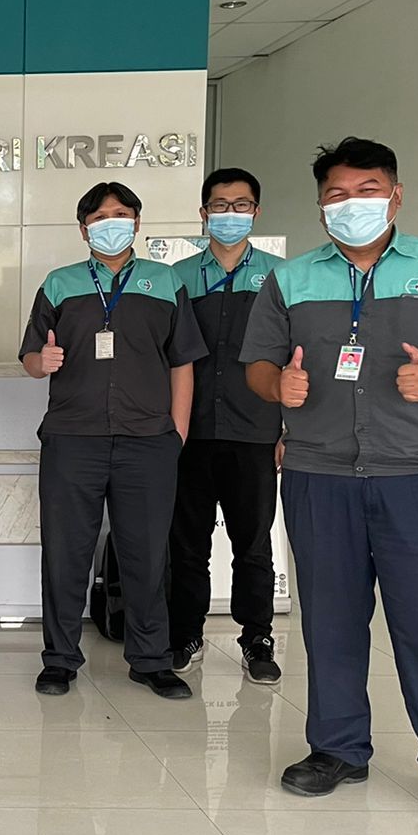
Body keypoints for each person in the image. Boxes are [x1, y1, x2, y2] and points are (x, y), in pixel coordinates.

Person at [241, 137, 418, 825]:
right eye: (337, 193)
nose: (351, 203)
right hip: (318, 476)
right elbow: (258, 363)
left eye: (367, 190)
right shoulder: (290, 279)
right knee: (329, 622)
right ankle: (337, 749)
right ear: (320, 203)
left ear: (396, 196)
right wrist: (278, 386)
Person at [21, 181, 206, 700]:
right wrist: (41, 362)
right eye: (100, 217)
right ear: (84, 230)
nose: (111, 223)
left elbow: (182, 362)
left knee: (147, 556)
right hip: (72, 439)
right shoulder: (60, 283)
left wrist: (177, 432)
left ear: (137, 223)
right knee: (65, 555)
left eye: (121, 214)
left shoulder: (165, 282)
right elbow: (30, 356)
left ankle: (150, 660)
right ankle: (60, 659)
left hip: (148, 441)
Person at [167, 168, 284, 684]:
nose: (230, 214)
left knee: (252, 545)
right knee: (186, 543)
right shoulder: (177, 277)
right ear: (203, 213)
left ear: (256, 212)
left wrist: (288, 429)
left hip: (255, 431)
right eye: (220, 205)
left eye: (241, 205)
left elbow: (298, 360)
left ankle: (257, 638)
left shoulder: (282, 277)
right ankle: (185, 633)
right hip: (189, 433)